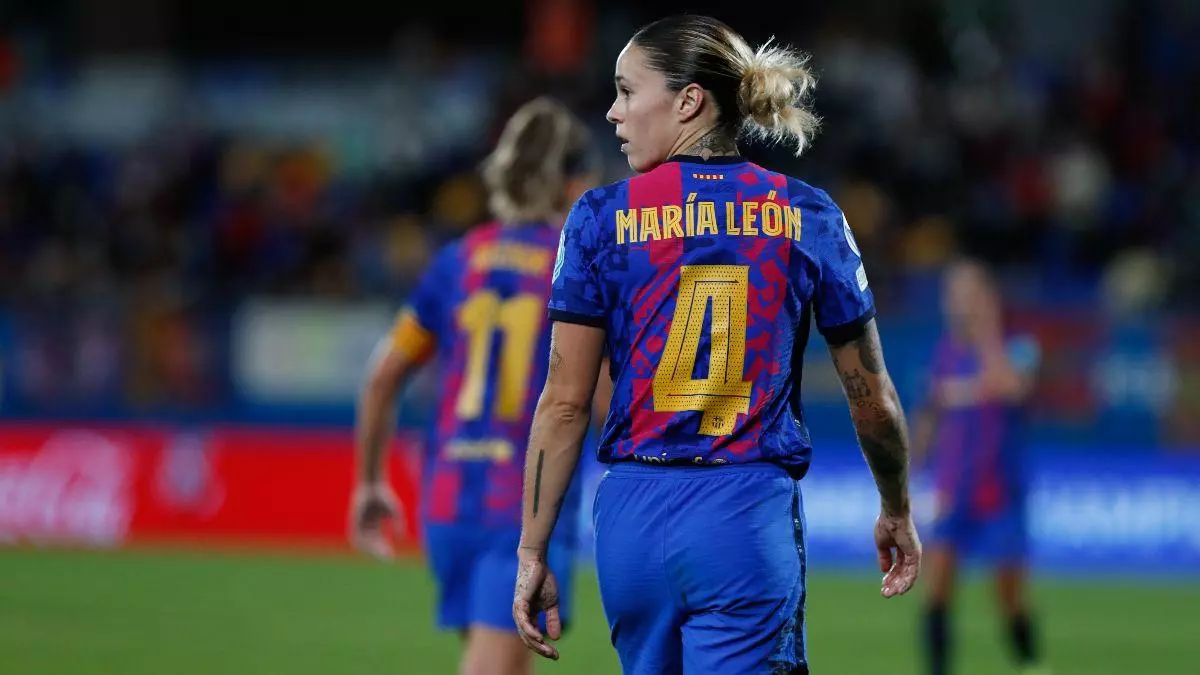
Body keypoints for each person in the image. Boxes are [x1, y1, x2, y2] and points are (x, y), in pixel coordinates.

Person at [510, 15, 921, 674]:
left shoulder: (597, 217)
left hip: (630, 524)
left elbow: (563, 403)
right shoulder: (808, 214)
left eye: (626, 90)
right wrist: (896, 506)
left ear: (689, 101)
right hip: (742, 517)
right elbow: (872, 400)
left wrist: (533, 549)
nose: (613, 112)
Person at [349, 97, 600, 675]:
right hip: (520, 506)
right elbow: (605, 399)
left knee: (500, 660)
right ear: (574, 183)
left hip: (448, 498)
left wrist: (368, 482)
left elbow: (383, 376)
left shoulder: (457, 261)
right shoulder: (573, 266)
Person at [911, 259, 1049, 675]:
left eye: (969, 294)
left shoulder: (1018, 345)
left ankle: (1031, 664)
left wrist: (988, 334)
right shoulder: (945, 351)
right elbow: (931, 413)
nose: (960, 304)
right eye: (954, 295)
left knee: (1009, 595)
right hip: (955, 486)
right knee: (937, 587)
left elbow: (1010, 387)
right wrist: (912, 469)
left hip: (1001, 488)